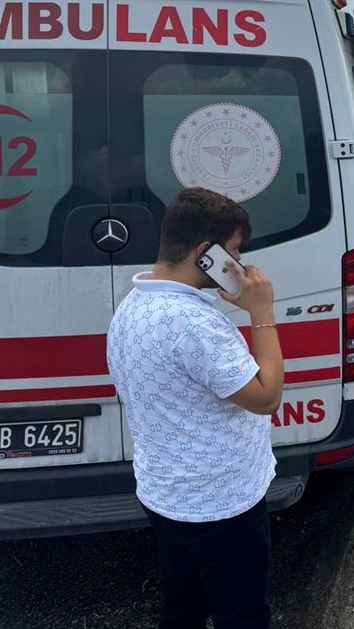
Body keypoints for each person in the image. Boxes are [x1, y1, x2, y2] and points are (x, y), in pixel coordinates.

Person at [106, 187, 284, 629]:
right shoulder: (195, 324)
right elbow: (266, 396)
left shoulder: (134, 305)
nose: (238, 265)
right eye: (235, 252)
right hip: (220, 504)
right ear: (206, 253)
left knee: (182, 607)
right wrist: (262, 312)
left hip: (166, 493)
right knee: (241, 614)